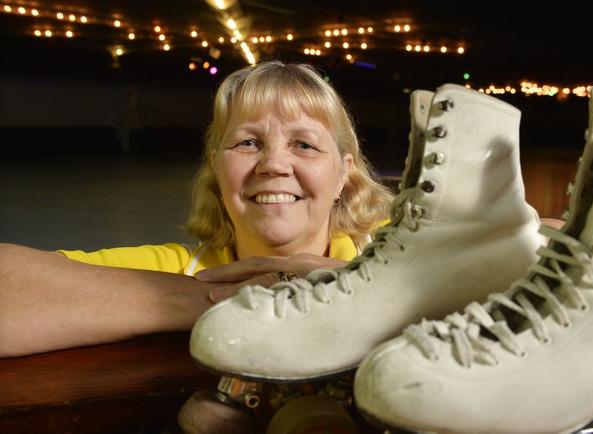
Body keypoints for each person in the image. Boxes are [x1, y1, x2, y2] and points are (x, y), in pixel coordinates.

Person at [0, 60, 395, 431]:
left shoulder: (394, 250)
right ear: (216, 165)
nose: (273, 164)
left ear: (344, 172)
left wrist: (356, 294)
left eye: (304, 145)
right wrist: (234, 300)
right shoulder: (181, 270)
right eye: (247, 143)